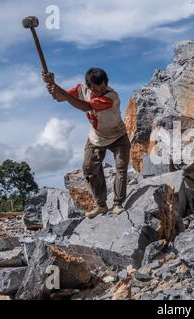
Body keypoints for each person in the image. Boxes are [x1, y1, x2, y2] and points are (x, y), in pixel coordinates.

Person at [42, 68, 130, 219]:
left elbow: (84, 106)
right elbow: (58, 97)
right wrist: (52, 86)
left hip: (118, 136)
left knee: (121, 168)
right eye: (95, 89)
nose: (100, 91)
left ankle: (118, 203)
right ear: (88, 86)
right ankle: (101, 205)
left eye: (102, 87)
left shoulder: (111, 96)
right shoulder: (81, 90)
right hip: (96, 137)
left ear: (106, 83)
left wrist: (57, 86)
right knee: (89, 168)